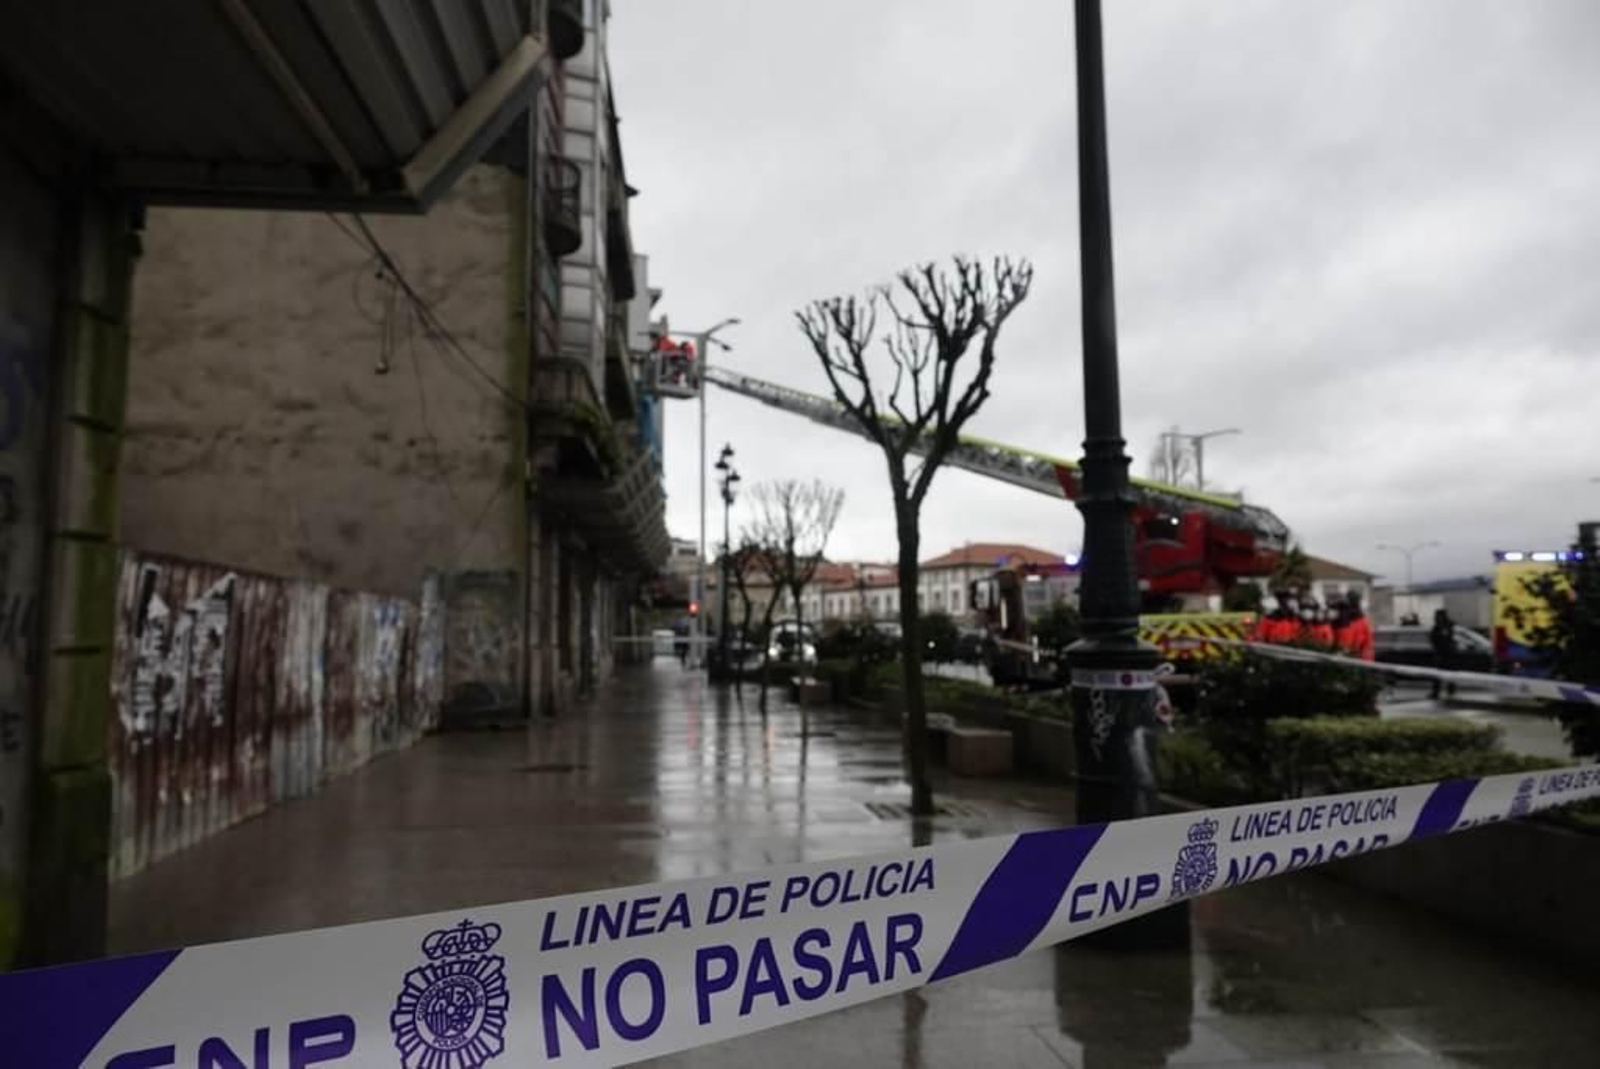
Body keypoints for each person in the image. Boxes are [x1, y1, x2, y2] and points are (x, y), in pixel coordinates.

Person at [1334, 593, 1375, 661]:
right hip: (1346, 655)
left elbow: (1368, 642)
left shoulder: (1361, 620)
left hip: (1356, 657)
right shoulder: (1342, 616)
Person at [1429, 608, 1458, 699]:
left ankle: (1444, 691)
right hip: (1444, 654)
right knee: (1439, 674)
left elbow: (1443, 640)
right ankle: (1441, 691)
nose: (1436, 617)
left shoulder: (1444, 627)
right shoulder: (1440, 626)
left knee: (1442, 674)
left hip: (1445, 654)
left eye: (1437, 616)